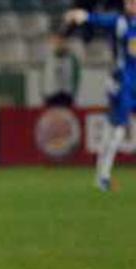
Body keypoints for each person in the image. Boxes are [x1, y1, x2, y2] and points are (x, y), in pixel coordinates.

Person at [64, 0, 136, 191]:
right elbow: (98, 20)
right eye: (129, 2)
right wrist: (82, 16)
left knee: (116, 130)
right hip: (124, 82)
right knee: (118, 130)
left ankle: (102, 175)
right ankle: (102, 176)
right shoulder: (119, 22)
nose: (132, 5)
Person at [42, 33, 81, 107]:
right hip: (50, 94)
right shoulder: (48, 58)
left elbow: (76, 77)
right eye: (57, 42)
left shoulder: (72, 59)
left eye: (62, 42)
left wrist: (73, 93)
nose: (59, 44)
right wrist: (44, 93)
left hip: (66, 94)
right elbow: (43, 76)